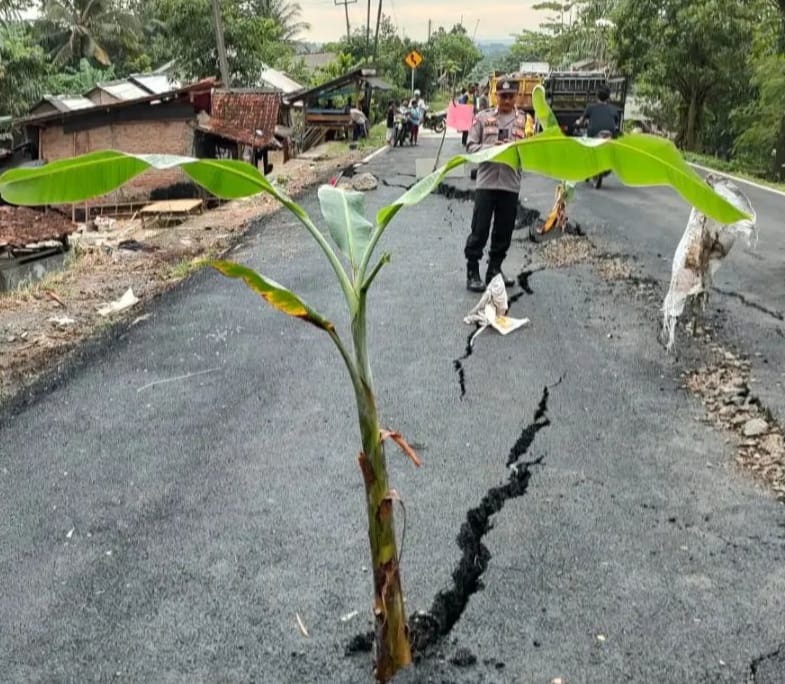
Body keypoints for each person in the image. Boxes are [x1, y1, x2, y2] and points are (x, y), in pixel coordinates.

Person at [464, 79, 529, 292]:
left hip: (510, 185)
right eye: (503, 96)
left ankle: (495, 269)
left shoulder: (525, 121)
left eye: (511, 96)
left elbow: (532, 152)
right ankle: (473, 271)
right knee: (480, 229)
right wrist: (492, 148)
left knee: (503, 231)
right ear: (496, 96)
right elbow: (471, 147)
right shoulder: (483, 118)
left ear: (517, 96)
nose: (507, 100)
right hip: (487, 182)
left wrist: (516, 150)